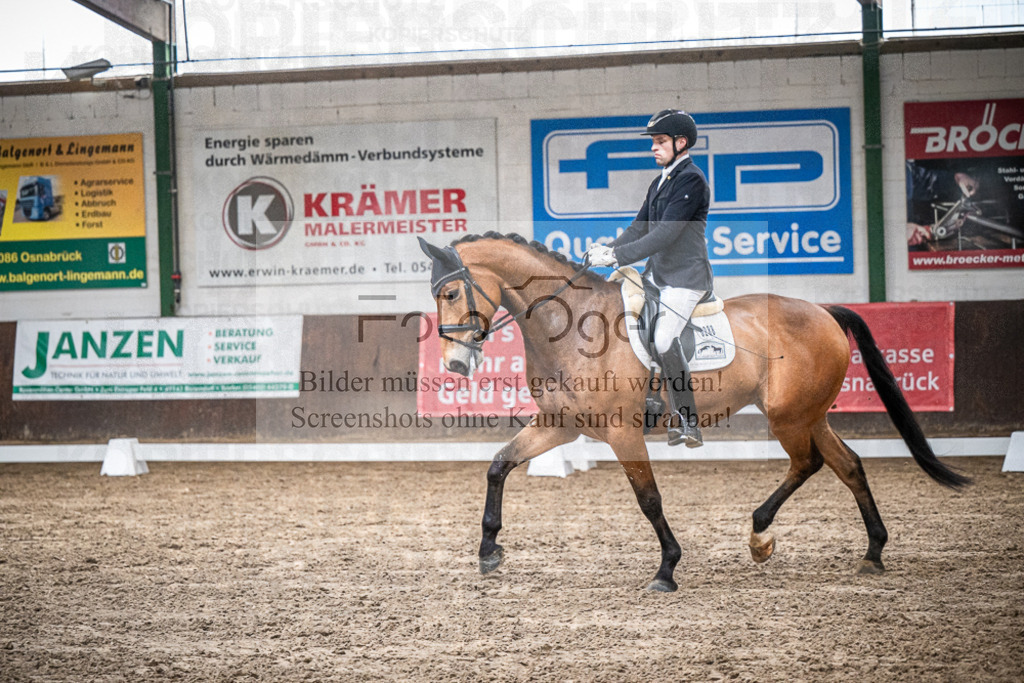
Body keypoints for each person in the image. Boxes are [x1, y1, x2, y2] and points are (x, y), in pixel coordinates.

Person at [586, 109, 713, 448]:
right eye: (654, 142)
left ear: (680, 142)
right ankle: (646, 402)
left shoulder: (691, 180)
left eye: (660, 141)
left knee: (665, 339)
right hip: (656, 277)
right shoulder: (659, 182)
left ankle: (688, 421)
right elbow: (639, 228)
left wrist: (618, 257)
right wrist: (608, 249)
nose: (653, 148)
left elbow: (665, 235)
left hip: (685, 278)